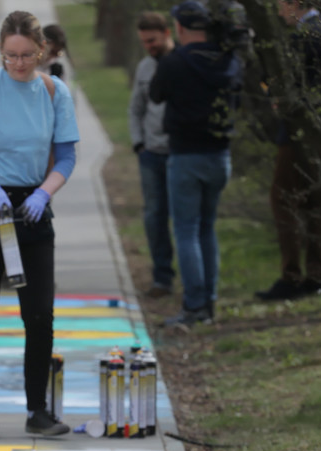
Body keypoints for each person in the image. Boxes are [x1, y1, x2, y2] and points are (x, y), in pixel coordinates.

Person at [0, 10, 80, 439]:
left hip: (32, 209)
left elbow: (65, 156)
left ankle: (37, 410)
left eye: (27, 55)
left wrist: (46, 191)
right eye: (11, 56)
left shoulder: (53, 91)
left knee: (40, 313)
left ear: (41, 51)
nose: (19, 64)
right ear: (1, 51)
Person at [149, 0, 243, 326]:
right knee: (207, 228)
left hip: (186, 155)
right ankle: (210, 301)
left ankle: (194, 305)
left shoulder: (175, 62)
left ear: (180, 28)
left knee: (186, 231)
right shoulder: (228, 58)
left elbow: (156, 95)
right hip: (220, 155)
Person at [255, 0, 321, 301]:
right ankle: (316, 275)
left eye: (282, 5)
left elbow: (291, 82)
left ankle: (292, 276)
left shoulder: (305, 37)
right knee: (315, 202)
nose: (279, 12)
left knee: (284, 200)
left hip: (298, 132)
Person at [129, 10, 175, 299]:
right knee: (154, 217)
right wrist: (138, 143)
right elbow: (136, 109)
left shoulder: (181, 63)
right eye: (145, 42)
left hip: (178, 153)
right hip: (150, 154)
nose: (150, 46)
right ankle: (162, 277)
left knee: (182, 218)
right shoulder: (144, 68)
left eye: (153, 40)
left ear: (167, 33)